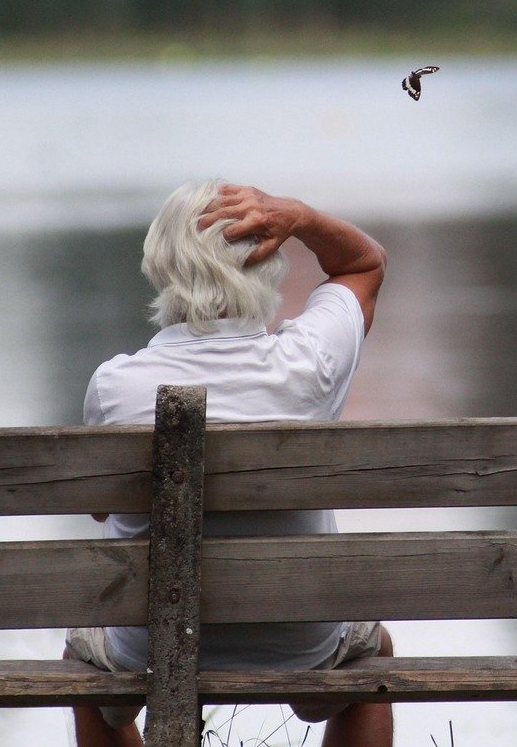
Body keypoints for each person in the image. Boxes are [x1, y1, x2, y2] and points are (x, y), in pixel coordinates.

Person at [64, 181, 392, 747]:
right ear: (266, 263)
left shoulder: (116, 386)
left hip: (148, 648)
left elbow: (99, 511)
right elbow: (364, 264)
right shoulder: (309, 365)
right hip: (301, 642)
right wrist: (303, 217)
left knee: (79, 656)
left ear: (160, 264)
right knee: (373, 651)